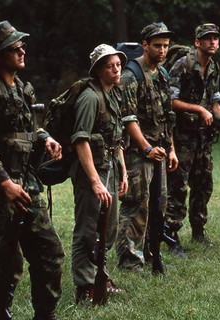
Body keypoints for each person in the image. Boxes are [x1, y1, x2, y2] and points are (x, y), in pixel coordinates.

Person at [0, 21, 64, 320]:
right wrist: (5, 184)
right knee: (5, 259)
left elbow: (26, 130)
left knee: (50, 253)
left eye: (22, 45)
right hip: (0, 189)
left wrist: (45, 137)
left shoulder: (21, 88)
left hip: (28, 184)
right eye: (14, 48)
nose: (22, 50)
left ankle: (45, 314)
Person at [165, 23, 220, 255]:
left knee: (203, 185)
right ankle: (171, 235)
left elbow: (215, 104)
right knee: (178, 186)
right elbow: (170, 101)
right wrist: (199, 110)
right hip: (181, 137)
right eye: (207, 38)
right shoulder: (183, 65)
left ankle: (198, 230)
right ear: (198, 42)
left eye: (215, 38)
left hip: (203, 138)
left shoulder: (213, 67)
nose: (212, 42)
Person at [115, 22, 178, 271]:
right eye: (157, 45)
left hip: (159, 150)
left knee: (158, 205)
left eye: (166, 46)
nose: (162, 50)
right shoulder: (131, 74)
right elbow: (127, 118)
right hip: (137, 151)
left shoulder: (161, 74)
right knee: (136, 204)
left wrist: (170, 148)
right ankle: (130, 260)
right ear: (145, 45)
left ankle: (151, 252)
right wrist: (146, 148)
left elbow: (166, 116)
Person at [71, 44, 128, 302]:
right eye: (110, 65)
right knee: (88, 230)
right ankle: (85, 285)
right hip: (92, 172)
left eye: (118, 64)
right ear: (98, 70)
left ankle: (99, 277)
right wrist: (95, 182)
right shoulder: (90, 98)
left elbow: (116, 140)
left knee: (109, 228)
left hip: (111, 169)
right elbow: (80, 140)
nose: (116, 70)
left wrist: (124, 173)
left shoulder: (113, 94)